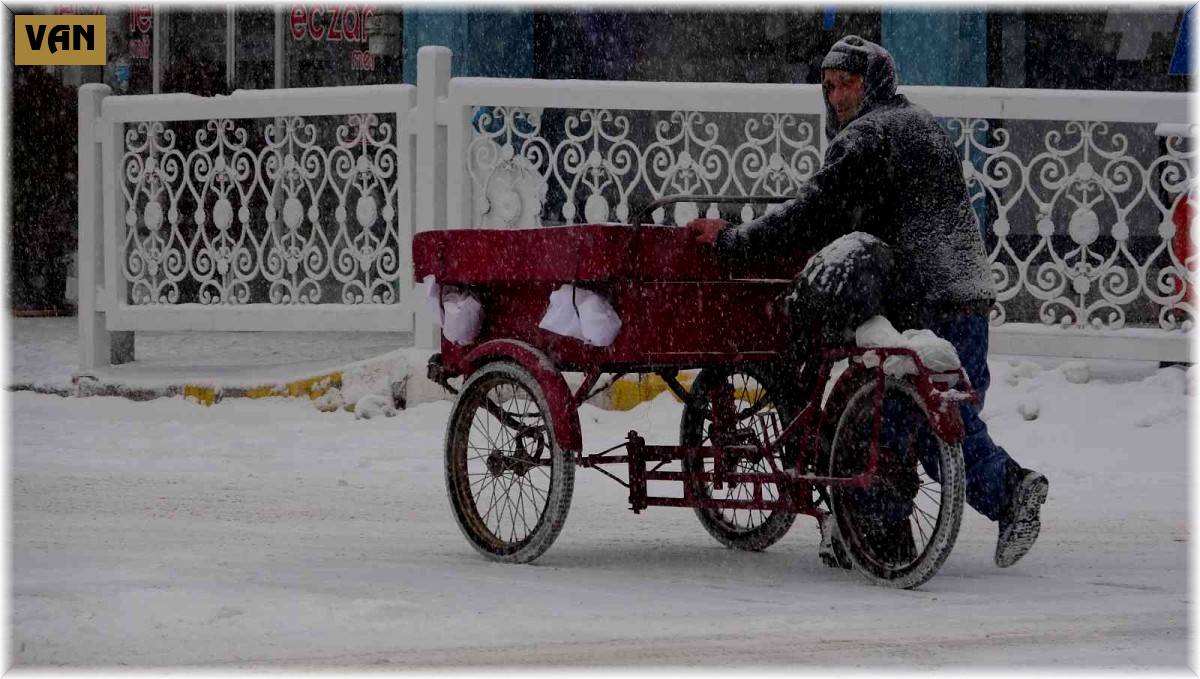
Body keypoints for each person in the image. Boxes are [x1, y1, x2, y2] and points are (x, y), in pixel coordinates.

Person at [686, 35, 1049, 569]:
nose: (836, 97)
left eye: (848, 84)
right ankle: (882, 533)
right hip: (967, 294)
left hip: (925, 298)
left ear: (874, 84)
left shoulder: (869, 137)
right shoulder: (921, 123)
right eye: (829, 86)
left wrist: (733, 240)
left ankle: (978, 504)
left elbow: (814, 211)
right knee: (937, 416)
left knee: (892, 426)